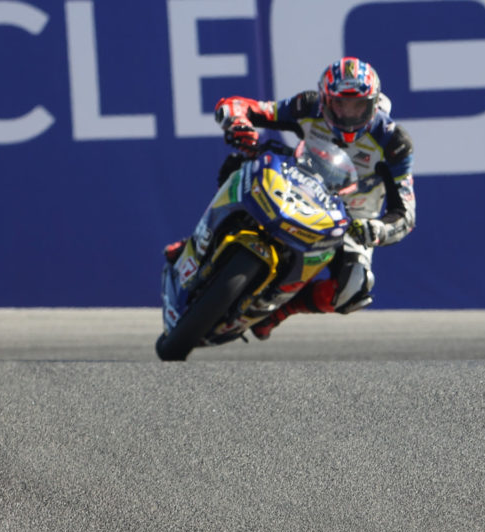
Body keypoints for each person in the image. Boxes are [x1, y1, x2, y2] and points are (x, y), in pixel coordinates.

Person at [165, 57, 416, 338]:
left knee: (354, 288)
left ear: (373, 104)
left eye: (358, 105)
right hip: (297, 183)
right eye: (340, 103)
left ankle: (280, 311)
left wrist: (378, 229)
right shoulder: (308, 106)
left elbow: (406, 213)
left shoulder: (394, 143)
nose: (348, 113)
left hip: (351, 217)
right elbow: (245, 106)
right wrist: (237, 122)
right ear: (324, 99)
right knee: (240, 165)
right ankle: (200, 241)